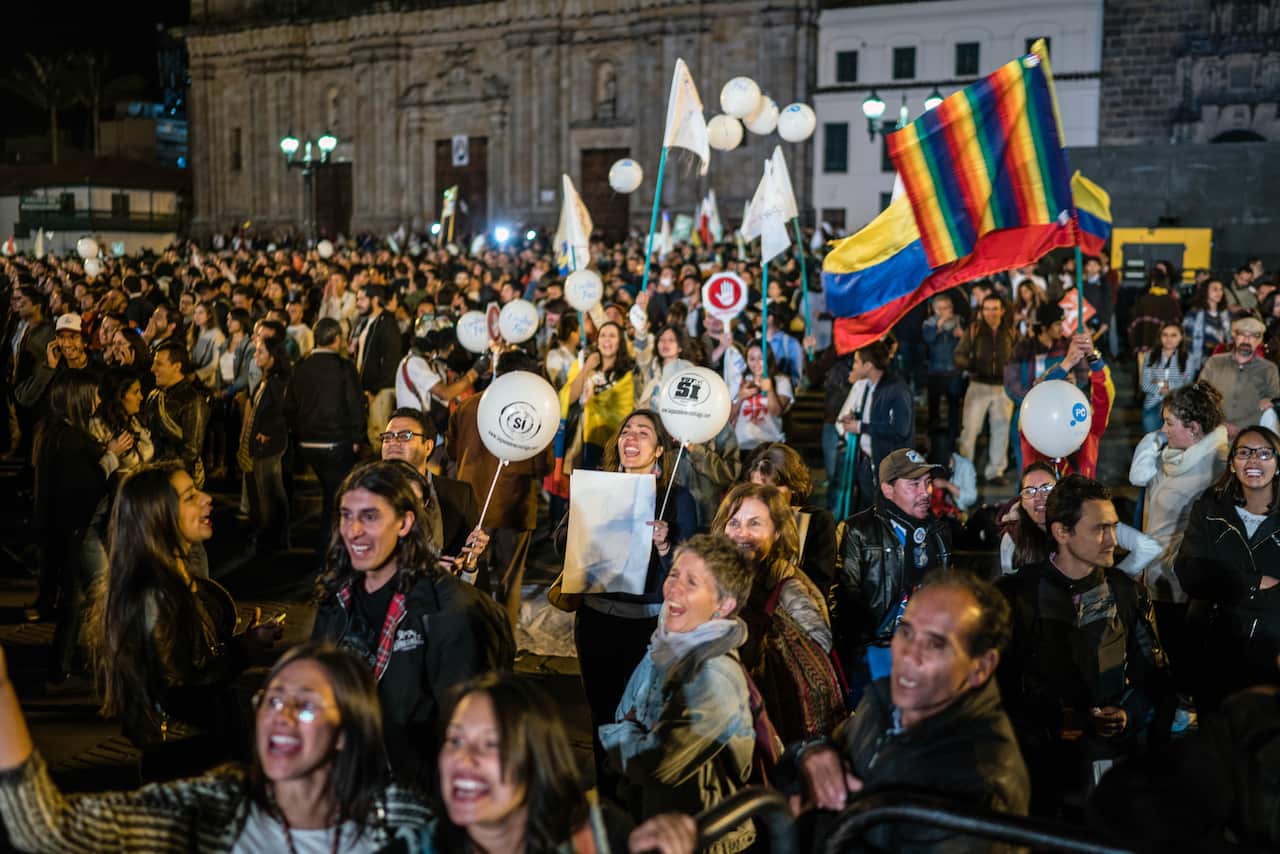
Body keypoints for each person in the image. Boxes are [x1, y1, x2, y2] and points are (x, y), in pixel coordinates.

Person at [0, 642, 432, 851]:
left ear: (346, 732)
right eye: (274, 699)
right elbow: (45, 830)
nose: (280, 716)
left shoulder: (403, 822)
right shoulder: (211, 808)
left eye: (305, 707)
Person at [784, 571, 1029, 852]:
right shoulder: (884, 701)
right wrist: (810, 754)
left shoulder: (982, 778)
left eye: (936, 644)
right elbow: (820, 761)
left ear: (981, 667)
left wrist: (810, 818)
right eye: (906, 632)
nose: (910, 655)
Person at [311, 461, 512, 787]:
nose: (353, 530)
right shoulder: (337, 597)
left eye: (370, 516)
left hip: (415, 795)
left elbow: (470, 730)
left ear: (405, 522)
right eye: (346, 515)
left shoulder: (450, 611)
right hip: (345, 783)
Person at [87, 462, 281, 777]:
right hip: (188, 762)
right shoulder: (154, 592)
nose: (207, 498)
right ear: (158, 514)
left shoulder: (174, 577)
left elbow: (191, 661)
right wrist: (241, 653)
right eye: (190, 496)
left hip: (204, 754)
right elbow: (178, 686)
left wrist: (240, 643)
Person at [998, 475, 1174, 817]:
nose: (1112, 540)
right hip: (1035, 769)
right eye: (1099, 529)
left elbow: (1154, 676)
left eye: (1114, 527)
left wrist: (1127, 714)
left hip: (1107, 767)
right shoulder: (1017, 595)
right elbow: (996, 687)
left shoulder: (1126, 592)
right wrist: (1050, 722)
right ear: (1062, 532)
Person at [599, 534, 757, 853]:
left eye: (691, 582)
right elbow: (624, 713)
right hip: (655, 823)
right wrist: (631, 731)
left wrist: (622, 734)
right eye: (673, 575)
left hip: (704, 839)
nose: (673, 589)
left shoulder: (715, 676)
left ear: (724, 606)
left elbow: (655, 765)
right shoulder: (666, 645)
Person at [570, 410, 697, 784]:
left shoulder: (676, 497)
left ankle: (638, 796)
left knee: (642, 715)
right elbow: (564, 544)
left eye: (643, 433)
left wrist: (664, 545)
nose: (632, 437)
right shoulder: (597, 488)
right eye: (627, 430)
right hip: (596, 617)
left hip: (646, 625)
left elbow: (687, 567)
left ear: (658, 450)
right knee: (602, 713)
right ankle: (608, 794)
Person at [412, 672, 634, 852]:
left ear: (537, 759)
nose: (463, 758)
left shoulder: (603, 837)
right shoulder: (411, 845)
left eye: (491, 744)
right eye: (455, 740)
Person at [712, 483, 841, 744]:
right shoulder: (707, 576)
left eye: (755, 524)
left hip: (771, 719)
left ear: (779, 532)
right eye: (734, 522)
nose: (741, 533)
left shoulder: (788, 585)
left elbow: (819, 644)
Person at [1129, 380, 1229, 691]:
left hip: (1184, 587)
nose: (1164, 429)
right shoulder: (1171, 455)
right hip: (1157, 575)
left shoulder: (1218, 464)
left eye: (1169, 422)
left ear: (1195, 428)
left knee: (1187, 661)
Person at [34, 373, 133, 685]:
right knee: (105, 594)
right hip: (81, 530)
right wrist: (111, 456)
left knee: (74, 602)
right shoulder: (70, 438)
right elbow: (82, 487)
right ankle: (111, 661)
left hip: (71, 531)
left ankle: (61, 665)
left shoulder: (59, 433)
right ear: (78, 397)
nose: (100, 401)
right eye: (94, 394)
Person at [1174, 426, 1280, 708]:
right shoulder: (1209, 510)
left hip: (1271, 659)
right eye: (1244, 453)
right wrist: (1254, 584)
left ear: (1278, 465)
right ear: (1232, 464)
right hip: (1215, 653)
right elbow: (1189, 573)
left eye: (1264, 454)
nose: (1253, 460)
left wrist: (1223, 583)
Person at [447, 349, 553, 620]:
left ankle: (474, 634)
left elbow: (451, 450)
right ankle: (505, 640)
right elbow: (545, 466)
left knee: (472, 574)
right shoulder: (536, 415)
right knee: (510, 580)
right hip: (513, 508)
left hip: (472, 504)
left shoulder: (469, 405)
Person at [835, 448, 952, 691]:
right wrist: (864, 651)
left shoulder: (939, 533)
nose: (925, 492)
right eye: (914, 484)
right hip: (875, 657)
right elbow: (845, 598)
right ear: (888, 490)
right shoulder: (857, 530)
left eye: (927, 483)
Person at [380, 407, 489, 568]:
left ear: (429, 446)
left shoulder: (459, 495)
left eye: (405, 436)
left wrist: (469, 563)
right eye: (388, 437)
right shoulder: (366, 494)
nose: (393, 443)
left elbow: (472, 569)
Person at [286, 317, 365, 529]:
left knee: (331, 494)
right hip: (336, 442)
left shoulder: (301, 367)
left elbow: (290, 405)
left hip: (307, 442)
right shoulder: (344, 367)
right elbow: (355, 403)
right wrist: (358, 437)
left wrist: (297, 433)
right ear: (337, 339)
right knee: (334, 500)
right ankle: (328, 552)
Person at [743, 442, 837, 594]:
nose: (765, 496)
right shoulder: (741, 519)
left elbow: (819, 584)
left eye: (774, 488)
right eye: (757, 488)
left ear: (793, 487)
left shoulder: (818, 521)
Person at [835, 339, 913, 513]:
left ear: (868, 365)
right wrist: (854, 419)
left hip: (890, 468)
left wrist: (861, 427)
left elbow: (900, 429)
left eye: (856, 362)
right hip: (869, 463)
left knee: (888, 514)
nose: (853, 367)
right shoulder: (868, 387)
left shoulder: (897, 389)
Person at [955, 293, 1015, 485]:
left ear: (1002, 311)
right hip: (978, 386)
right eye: (987, 309)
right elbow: (958, 355)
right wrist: (973, 365)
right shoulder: (974, 330)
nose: (991, 313)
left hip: (1002, 388)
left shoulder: (1011, 332)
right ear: (981, 311)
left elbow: (1018, 356)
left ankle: (995, 472)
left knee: (1001, 430)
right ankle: (965, 472)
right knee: (970, 431)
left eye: (995, 309)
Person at [240, 333, 292, 552]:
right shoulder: (267, 381)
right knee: (265, 491)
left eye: (261, 352)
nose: (256, 355)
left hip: (270, 445)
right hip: (262, 444)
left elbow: (285, 412)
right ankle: (270, 535)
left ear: (273, 358)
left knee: (272, 492)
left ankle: (276, 538)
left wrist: (267, 432)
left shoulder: (277, 383)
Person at [1199, 315, 1280, 438]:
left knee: (1270, 413)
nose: (1247, 340)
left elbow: (1273, 401)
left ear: (1260, 340)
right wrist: (1221, 425)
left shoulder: (1268, 369)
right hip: (1213, 430)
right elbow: (1200, 396)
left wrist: (1243, 428)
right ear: (1234, 336)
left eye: (1253, 336)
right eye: (1242, 334)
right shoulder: (1215, 363)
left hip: (1253, 433)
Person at [145, 340, 209, 487]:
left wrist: (166, 472)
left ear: (177, 367)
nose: (152, 369)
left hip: (178, 479)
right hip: (155, 474)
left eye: (159, 364)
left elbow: (191, 451)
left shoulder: (193, 401)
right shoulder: (154, 396)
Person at [354, 285, 406, 453]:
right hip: (372, 389)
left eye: (362, 299)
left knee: (380, 434)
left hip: (381, 390)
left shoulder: (387, 324)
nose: (358, 303)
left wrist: (375, 389)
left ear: (375, 300)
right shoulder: (371, 322)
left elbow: (391, 361)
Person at [730, 342, 793, 452]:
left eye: (761, 358)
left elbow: (776, 412)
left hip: (770, 445)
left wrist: (770, 390)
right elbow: (730, 417)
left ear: (768, 358)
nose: (756, 363)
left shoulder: (781, 381)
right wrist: (741, 397)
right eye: (752, 359)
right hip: (743, 445)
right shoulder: (739, 381)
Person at [920, 293, 966, 441]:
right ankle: (933, 433)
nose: (946, 311)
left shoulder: (959, 321)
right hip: (935, 371)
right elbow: (928, 339)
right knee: (934, 404)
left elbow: (967, 344)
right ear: (935, 310)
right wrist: (940, 325)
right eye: (941, 308)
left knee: (954, 404)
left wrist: (962, 335)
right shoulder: (928, 323)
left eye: (948, 307)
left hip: (954, 370)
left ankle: (954, 433)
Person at [1139, 322, 1198, 433]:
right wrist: (1170, 385)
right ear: (1160, 337)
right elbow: (1146, 385)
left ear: (1181, 337)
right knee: (1152, 442)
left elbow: (1186, 384)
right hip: (1153, 404)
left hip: (1178, 406)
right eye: (1165, 335)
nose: (1168, 339)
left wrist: (1161, 383)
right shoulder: (1150, 356)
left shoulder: (1188, 358)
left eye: (1173, 335)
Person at [1183, 276, 1232, 363]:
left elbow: (1230, 340)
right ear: (1205, 291)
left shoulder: (1226, 315)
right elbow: (1187, 340)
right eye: (1215, 289)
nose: (1219, 292)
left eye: (1221, 289)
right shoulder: (1193, 314)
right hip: (1199, 361)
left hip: (1221, 362)